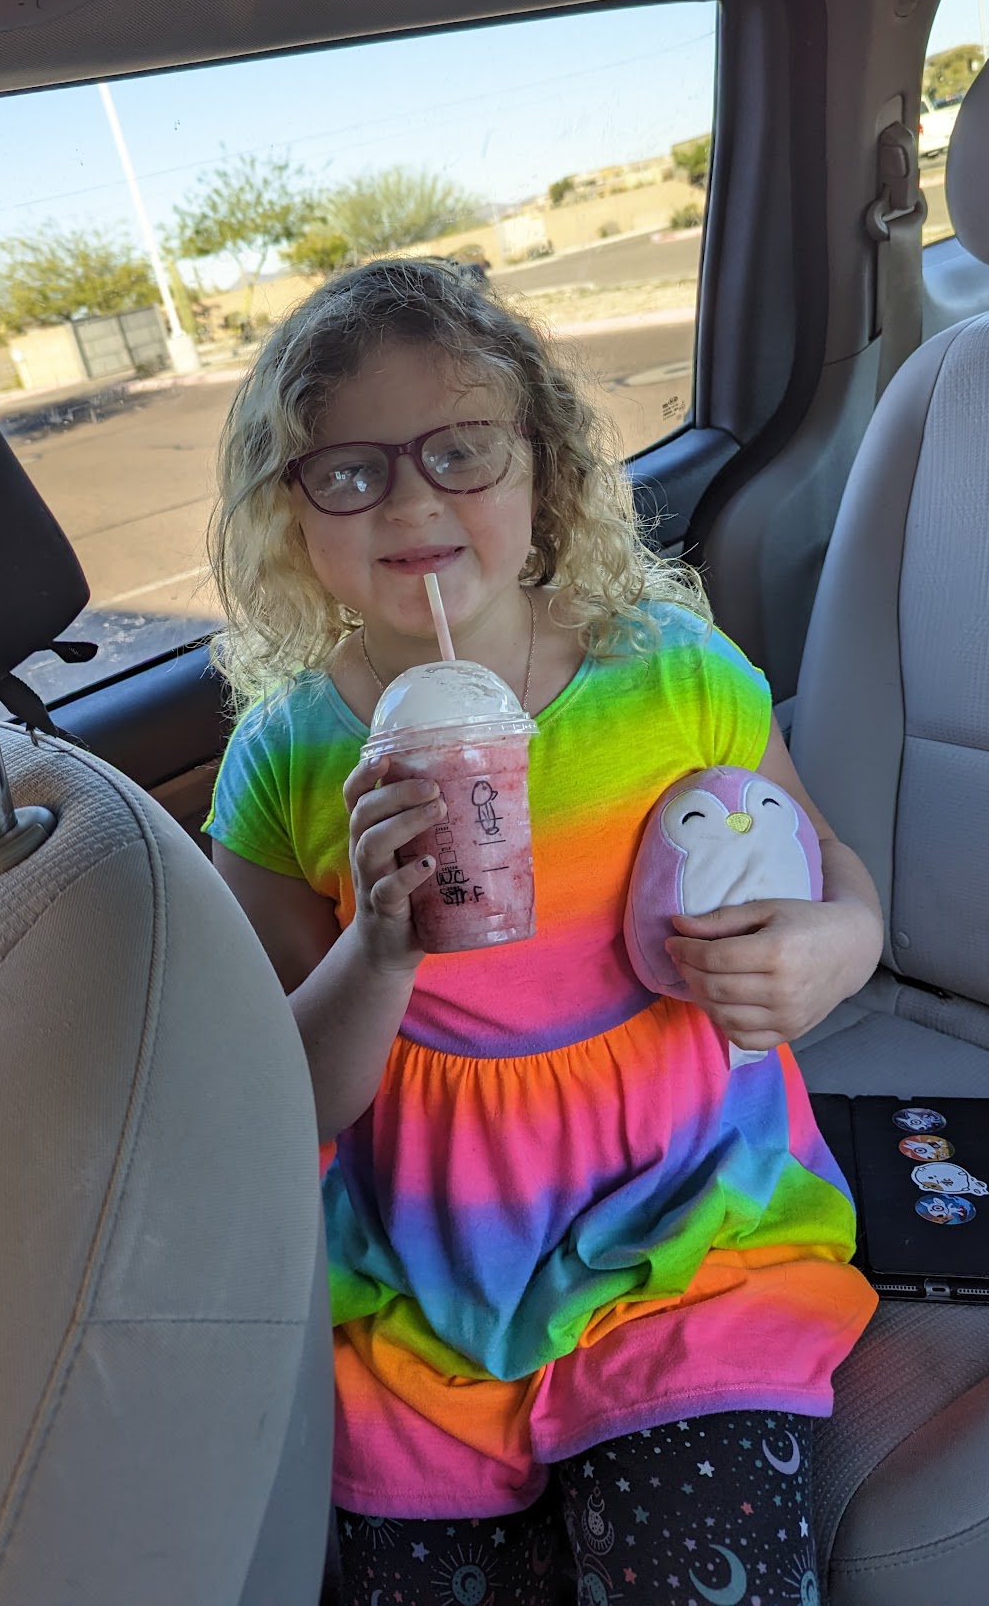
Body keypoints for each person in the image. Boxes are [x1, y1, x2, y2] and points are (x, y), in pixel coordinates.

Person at [204, 258, 882, 1606]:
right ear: (290, 513)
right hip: (428, 1271)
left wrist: (837, 945)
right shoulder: (282, 765)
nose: (412, 502)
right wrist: (379, 949)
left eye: (461, 451)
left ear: (545, 474)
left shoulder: (671, 677)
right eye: (349, 471)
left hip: (689, 1225)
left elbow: (829, 867)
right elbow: (289, 1094)